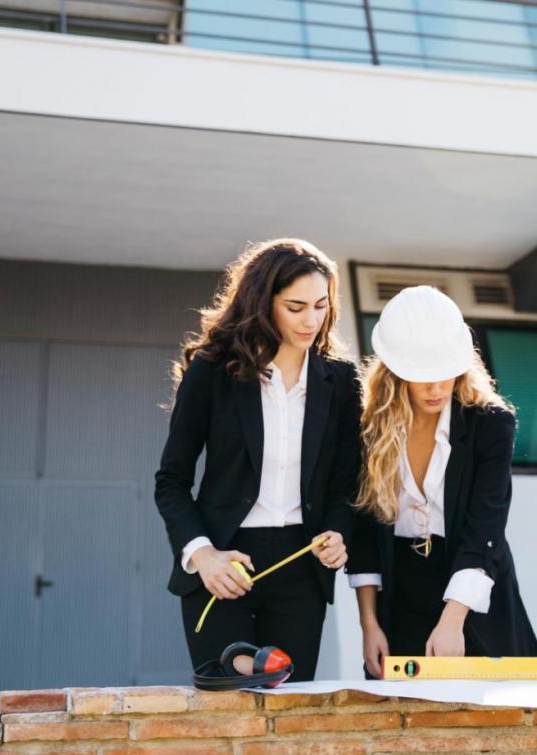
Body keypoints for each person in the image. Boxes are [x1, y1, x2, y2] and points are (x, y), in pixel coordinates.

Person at [154, 238, 360, 681]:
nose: (312, 320)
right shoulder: (212, 371)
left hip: (302, 568)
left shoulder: (341, 381)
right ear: (263, 303)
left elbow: (346, 484)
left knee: (289, 709)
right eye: (296, 306)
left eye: (321, 306)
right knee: (229, 703)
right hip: (223, 562)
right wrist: (202, 555)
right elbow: (171, 481)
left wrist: (340, 533)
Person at [347, 286, 537, 678]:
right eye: (422, 377)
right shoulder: (367, 428)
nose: (436, 389)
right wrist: (369, 624)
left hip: (473, 583)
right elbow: (364, 533)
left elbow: (486, 525)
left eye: (444, 374)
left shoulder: (491, 424)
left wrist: (453, 619)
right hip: (399, 592)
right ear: (395, 369)